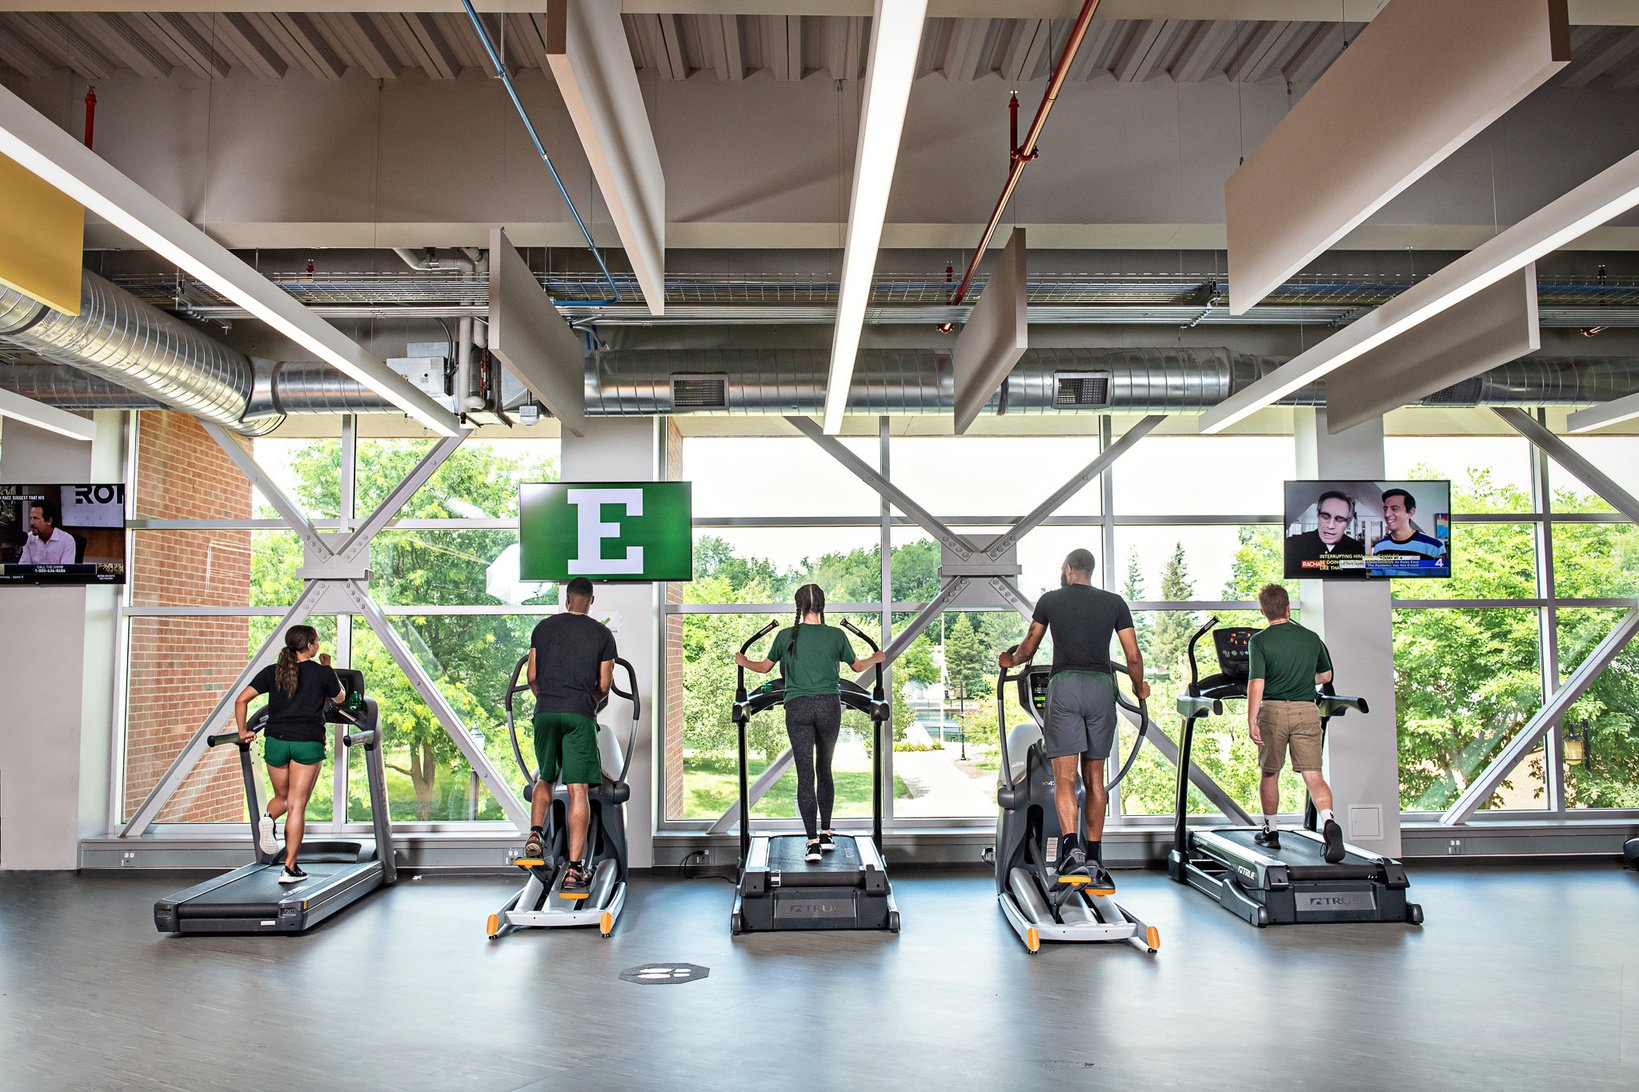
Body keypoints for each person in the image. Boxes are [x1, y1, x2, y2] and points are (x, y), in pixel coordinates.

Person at [997, 548, 1147, 895]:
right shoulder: (1115, 602)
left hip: (1064, 687)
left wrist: (1011, 659)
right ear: (1091, 572)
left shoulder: (1050, 600)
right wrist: (1140, 689)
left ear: (1067, 570)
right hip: (1100, 687)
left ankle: (1072, 853)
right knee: (1095, 779)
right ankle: (1095, 858)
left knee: (1065, 777)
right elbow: (1133, 656)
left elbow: (1028, 648)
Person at [736, 584, 884, 864]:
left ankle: (813, 843)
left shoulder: (785, 636)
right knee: (824, 769)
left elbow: (765, 668)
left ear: (798, 606)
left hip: (798, 708)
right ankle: (827, 834)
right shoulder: (836, 635)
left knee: (806, 774)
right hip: (829, 707)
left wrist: (742, 661)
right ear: (823, 606)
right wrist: (877, 657)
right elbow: (857, 666)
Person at [525, 576, 617, 896]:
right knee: (579, 791)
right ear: (591, 601)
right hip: (580, 714)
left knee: (545, 778)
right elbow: (604, 686)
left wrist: (546, 699)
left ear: (567, 599)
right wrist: (590, 704)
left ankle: (535, 835)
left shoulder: (543, 628)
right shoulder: (602, 634)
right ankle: (575, 871)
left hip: (545, 711)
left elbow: (532, 676)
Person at [234, 624, 345, 884]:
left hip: (276, 741)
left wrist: (242, 732)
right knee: (296, 805)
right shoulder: (322, 673)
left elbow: (241, 700)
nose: (318, 644)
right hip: (307, 742)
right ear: (309, 646)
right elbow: (340, 698)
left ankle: (269, 818)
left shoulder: (274, 671)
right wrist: (329, 669)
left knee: (282, 798)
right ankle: (290, 868)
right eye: (317, 640)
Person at [1245, 583, 1345, 863]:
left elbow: (1257, 683)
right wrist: (1302, 678)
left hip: (1273, 711)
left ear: (1264, 611)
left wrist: (1251, 719)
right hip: (1307, 710)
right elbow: (1325, 676)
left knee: (1269, 772)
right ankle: (1328, 821)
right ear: (1288, 607)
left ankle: (1270, 830)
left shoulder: (1260, 641)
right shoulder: (1311, 638)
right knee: (1313, 775)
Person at [1284, 490, 1367, 577]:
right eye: (1325, 516)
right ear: (1318, 515)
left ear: (1348, 522)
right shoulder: (1294, 544)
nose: (1331, 526)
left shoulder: (1357, 549)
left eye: (1339, 519)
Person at [1369, 487, 1447, 572]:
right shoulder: (1380, 548)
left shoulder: (1435, 548)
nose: (1387, 514)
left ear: (1410, 513)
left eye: (1394, 509)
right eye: (1385, 509)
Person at [18, 500, 75, 565]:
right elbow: (24, 568)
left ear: (49, 521)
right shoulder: (29, 538)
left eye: (36, 518)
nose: (31, 523)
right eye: (30, 518)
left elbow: (66, 571)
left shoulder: (67, 540)